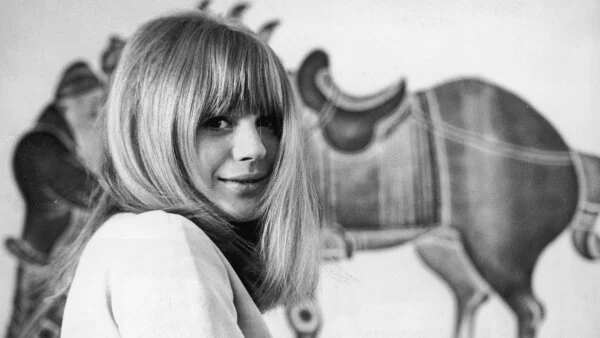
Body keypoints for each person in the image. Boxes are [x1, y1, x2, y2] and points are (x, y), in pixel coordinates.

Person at [50, 11, 320, 337]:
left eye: (268, 122)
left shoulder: (134, 237)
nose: (256, 149)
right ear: (153, 131)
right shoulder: (165, 242)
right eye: (218, 121)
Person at [4, 61, 104, 338]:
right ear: (67, 104)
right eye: (92, 107)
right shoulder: (41, 148)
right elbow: (93, 194)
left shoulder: (56, 144)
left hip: (51, 266)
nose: (96, 115)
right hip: (45, 268)